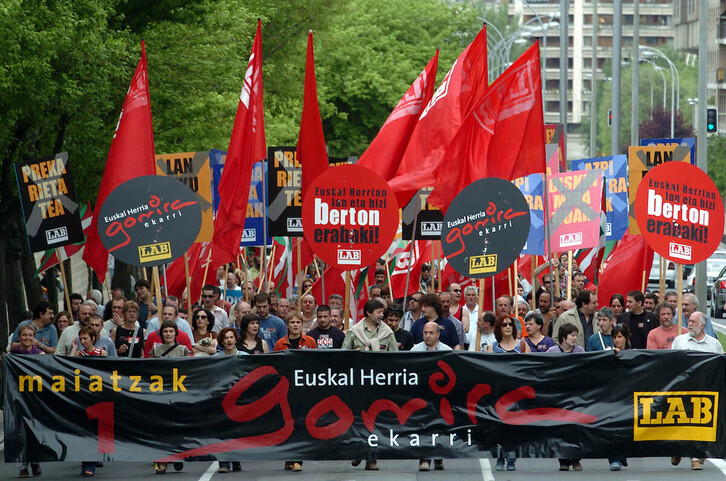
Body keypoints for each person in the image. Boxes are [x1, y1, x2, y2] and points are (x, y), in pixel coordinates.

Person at [670, 311, 723, 470]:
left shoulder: (714, 344)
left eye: (693, 321)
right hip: (684, 390)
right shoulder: (679, 341)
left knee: (701, 424)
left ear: (703, 325)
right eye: (689, 321)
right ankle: (677, 449)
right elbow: (670, 364)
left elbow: (720, 367)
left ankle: (696, 457)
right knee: (682, 422)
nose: (690, 323)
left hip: (705, 391)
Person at [274, 312, 315, 471]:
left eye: (298, 322)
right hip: (286, 389)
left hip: (304, 388)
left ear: (302, 324)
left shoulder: (310, 341)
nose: (296, 325)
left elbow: (317, 362)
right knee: (287, 423)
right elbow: (276, 365)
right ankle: (288, 456)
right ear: (287, 325)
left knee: (301, 422)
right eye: (292, 322)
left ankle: (298, 459)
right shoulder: (280, 343)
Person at [411, 321, 450, 472]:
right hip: (422, 395)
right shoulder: (415, 350)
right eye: (425, 333)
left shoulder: (447, 351)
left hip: (441, 397)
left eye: (431, 333)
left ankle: (439, 457)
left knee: (440, 426)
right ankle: (424, 458)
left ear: (438, 334)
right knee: (424, 426)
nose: (428, 336)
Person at [547, 323, 584, 472]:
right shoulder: (552, 351)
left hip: (575, 394)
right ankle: (563, 460)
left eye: (576, 335)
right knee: (560, 427)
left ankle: (575, 459)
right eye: (572, 335)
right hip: (558, 395)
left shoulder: (580, 351)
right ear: (564, 337)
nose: (575, 338)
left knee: (575, 426)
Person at [11, 325, 43, 477]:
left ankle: (35, 462)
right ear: (19, 337)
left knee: (35, 431)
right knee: (20, 432)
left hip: (35, 399)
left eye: (30, 335)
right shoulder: (13, 355)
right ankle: (22, 466)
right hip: (18, 397)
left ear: (34, 337)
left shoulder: (39, 354)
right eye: (24, 335)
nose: (27, 338)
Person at [216, 326, 246, 473]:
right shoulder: (216, 359)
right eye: (226, 338)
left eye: (231, 337)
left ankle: (235, 459)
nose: (229, 340)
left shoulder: (244, 356)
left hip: (239, 400)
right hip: (221, 399)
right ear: (222, 341)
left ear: (235, 340)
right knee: (222, 430)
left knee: (236, 431)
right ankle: (224, 463)